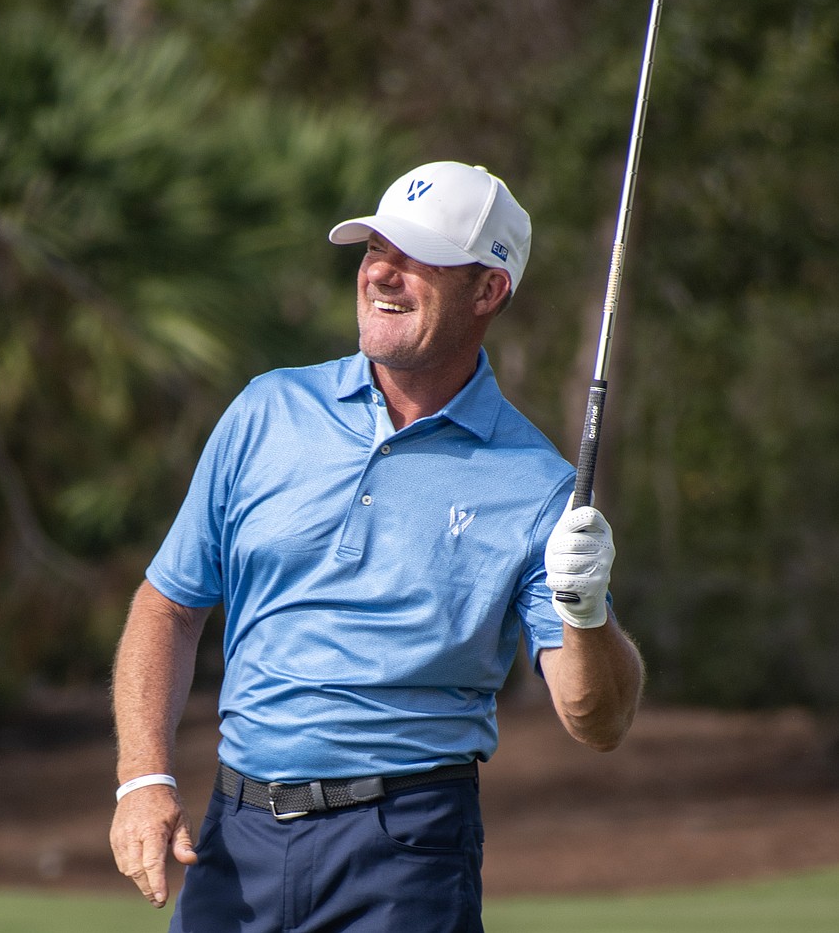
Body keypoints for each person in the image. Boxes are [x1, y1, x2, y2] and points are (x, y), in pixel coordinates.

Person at [109, 160, 644, 932]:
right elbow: (170, 604)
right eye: (373, 250)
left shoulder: (537, 488)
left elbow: (599, 721)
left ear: (489, 291)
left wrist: (586, 611)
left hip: (406, 850)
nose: (382, 273)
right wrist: (142, 778)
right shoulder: (268, 410)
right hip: (237, 837)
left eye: (417, 258)